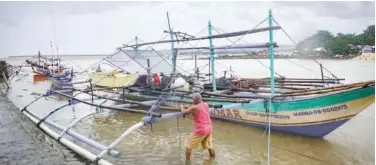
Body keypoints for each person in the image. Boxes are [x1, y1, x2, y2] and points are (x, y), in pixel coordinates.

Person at [180, 92, 215, 161]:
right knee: (209, 145)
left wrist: (181, 107)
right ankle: (212, 159)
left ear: (194, 100)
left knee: (188, 145)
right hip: (209, 128)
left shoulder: (194, 107)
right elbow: (195, 109)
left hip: (201, 130)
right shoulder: (205, 104)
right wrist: (189, 107)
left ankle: (187, 162)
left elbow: (183, 112)